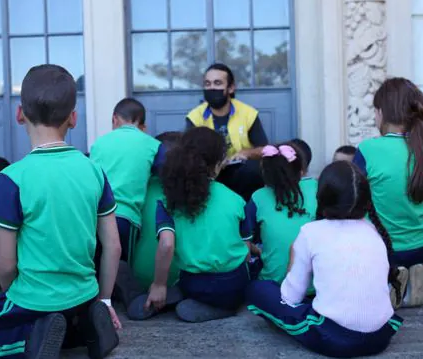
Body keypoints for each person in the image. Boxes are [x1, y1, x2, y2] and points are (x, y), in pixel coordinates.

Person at [0, 65, 122, 359]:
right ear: (73, 117)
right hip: (84, 293)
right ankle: (84, 326)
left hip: (34, 298)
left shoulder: (11, 179)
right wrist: (105, 299)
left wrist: (11, 295)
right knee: (68, 313)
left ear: (20, 115)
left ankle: (32, 335)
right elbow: (113, 246)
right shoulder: (95, 171)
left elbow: (5, 264)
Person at [245, 161, 404, 358]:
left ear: (321, 197)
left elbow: (290, 297)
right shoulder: (374, 231)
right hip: (381, 336)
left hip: (334, 338)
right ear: (366, 200)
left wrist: (292, 260)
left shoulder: (310, 232)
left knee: (258, 290)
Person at [352, 78, 423, 307]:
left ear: (382, 113)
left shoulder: (368, 149)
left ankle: (389, 282)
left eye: (375, 111)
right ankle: (411, 276)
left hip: (380, 251)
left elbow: (351, 201)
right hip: (418, 249)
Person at [144, 127, 252, 323]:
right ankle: (224, 308)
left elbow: (167, 244)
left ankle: (169, 294)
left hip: (194, 282)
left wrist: (159, 284)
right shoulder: (235, 199)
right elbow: (245, 251)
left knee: (186, 283)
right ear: (217, 165)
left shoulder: (170, 201)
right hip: (233, 285)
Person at [90, 98, 165, 265]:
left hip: (94, 218)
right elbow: (167, 175)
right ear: (143, 127)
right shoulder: (153, 145)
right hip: (125, 218)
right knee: (121, 272)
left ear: (114, 119)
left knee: (95, 270)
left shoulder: (98, 144)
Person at [186, 63, 268, 200]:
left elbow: (264, 149)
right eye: (207, 83)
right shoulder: (195, 117)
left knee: (253, 170)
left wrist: (246, 153)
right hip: (210, 174)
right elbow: (188, 153)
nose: (211, 88)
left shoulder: (248, 113)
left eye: (217, 83)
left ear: (230, 88)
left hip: (241, 173)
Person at [125, 132, 184, 320]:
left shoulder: (140, 186)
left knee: (116, 267)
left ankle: (136, 298)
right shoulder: (192, 191)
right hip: (178, 275)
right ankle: (176, 294)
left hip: (141, 276)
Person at [245, 143, 318, 285]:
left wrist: (257, 250)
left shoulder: (258, 197)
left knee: (252, 287)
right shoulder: (315, 187)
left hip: (275, 285)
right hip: (317, 285)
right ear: (301, 170)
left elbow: (244, 240)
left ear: (265, 173)